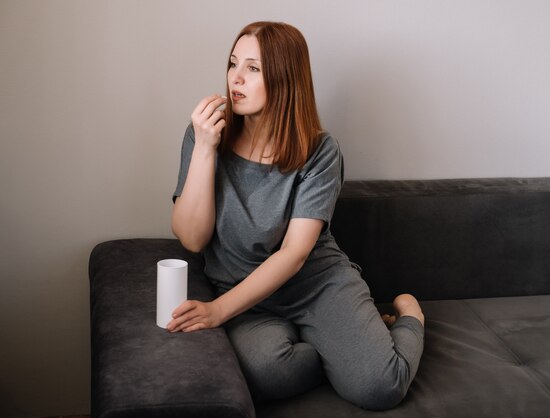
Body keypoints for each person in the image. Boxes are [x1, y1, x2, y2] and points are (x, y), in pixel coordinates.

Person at [167, 21, 425, 411]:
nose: (235, 78)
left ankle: (409, 315)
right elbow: (192, 239)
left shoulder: (320, 151)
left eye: (253, 69)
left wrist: (217, 311)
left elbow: (295, 255)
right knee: (266, 372)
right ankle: (339, 348)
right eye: (233, 64)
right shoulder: (204, 134)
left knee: (379, 387)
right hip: (244, 294)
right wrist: (205, 148)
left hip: (314, 284)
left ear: (285, 78)